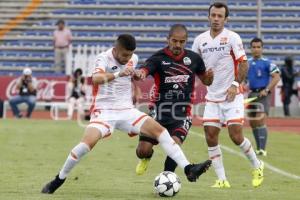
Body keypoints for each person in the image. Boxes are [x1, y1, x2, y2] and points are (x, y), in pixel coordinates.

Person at [41, 34, 211, 194]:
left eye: (130, 55)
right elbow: (96, 79)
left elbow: (132, 77)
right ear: (115, 50)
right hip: (104, 112)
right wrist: (118, 73)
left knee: (161, 132)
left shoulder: (133, 58)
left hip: (127, 110)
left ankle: (189, 169)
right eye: (124, 55)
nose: (127, 59)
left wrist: (137, 78)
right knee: (85, 145)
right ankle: (59, 179)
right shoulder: (103, 57)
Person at [192, 2, 264, 188]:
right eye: (213, 15)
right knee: (210, 135)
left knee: (235, 136)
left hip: (232, 96)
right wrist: (202, 77)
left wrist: (234, 84)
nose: (216, 19)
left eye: (220, 16)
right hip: (212, 97)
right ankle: (222, 179)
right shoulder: (200, 40)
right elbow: (194, 66)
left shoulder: (232, 37)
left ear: (226, 19)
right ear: (208, 16)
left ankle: (257, 166)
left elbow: (243, 64)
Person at [134, 24, 214, 175]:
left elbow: (206, 81)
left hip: (182, 114)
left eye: (182, 41)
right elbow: (145, 70)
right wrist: (141, 73)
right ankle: (146, 157)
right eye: (174, 41)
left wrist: (210, 78)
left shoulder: (194, 59)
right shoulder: (158, 58)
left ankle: (166, 177)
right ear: (168, 39)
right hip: (158, 112)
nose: (178, 45)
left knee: (174, 145)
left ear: (186, 41)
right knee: (142, 150)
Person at [247, 37, 281, 156]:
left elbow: (276, 77)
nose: (256, 49)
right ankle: (258, 147)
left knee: (260, 119)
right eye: (254, 47)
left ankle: (262, 149)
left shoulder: (268, 63)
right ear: (250, 49)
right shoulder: (247, 63)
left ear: (262, 48)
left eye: (258, 47)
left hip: (263, 94)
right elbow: (242, 78)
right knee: (252, 122)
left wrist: (266, 89)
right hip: (251, 94)